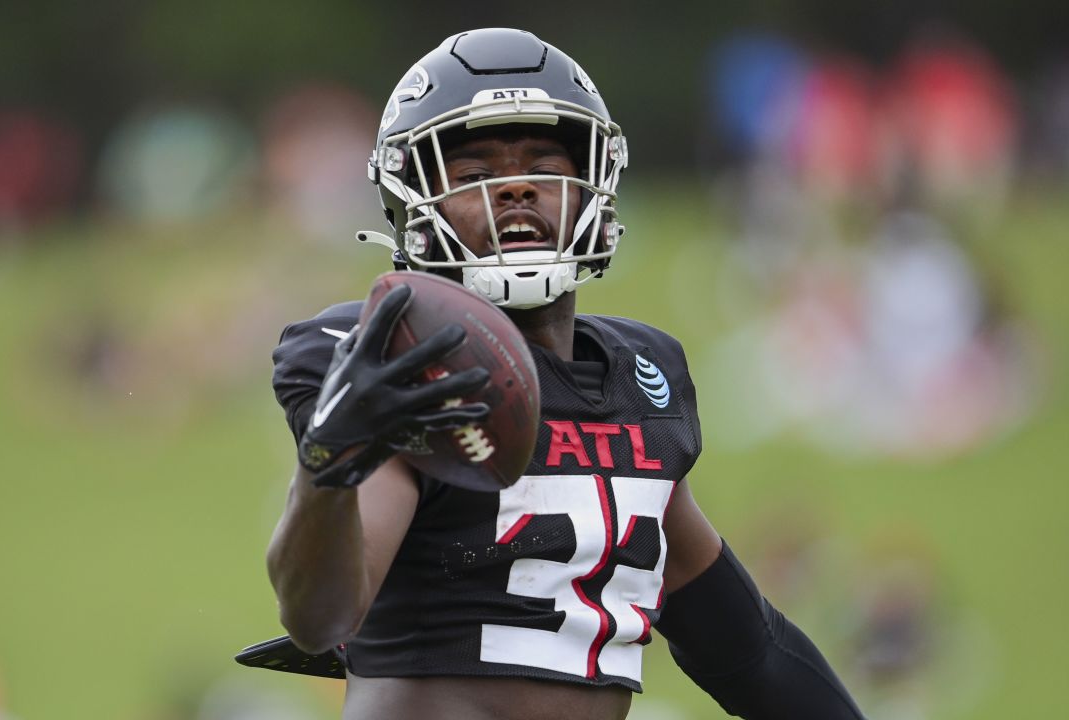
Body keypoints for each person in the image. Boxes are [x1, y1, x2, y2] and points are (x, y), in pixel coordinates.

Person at [246, 28, 866, 720]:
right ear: (412, 200)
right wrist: (328, 464)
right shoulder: (398, 359)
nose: (515, 189)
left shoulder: (638, 378)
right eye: (476, 175)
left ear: (593, 189)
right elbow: (322, 617)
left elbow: (748, 648)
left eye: (544, 166)